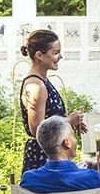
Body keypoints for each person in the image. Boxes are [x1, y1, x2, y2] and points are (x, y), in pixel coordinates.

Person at [19, 29, 86, 176]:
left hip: (51, 155)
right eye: (56, 52)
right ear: (39, 56)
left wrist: (69, 125)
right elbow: (37, 130)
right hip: (43, 158)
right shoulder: (36, 86)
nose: (60, 56)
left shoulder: (41, 81)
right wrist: (68, 121)